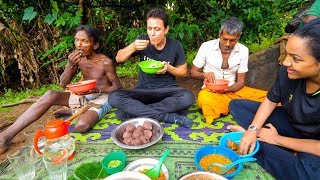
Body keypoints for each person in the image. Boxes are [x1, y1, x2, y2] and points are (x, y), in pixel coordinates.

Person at [0, 25, 121, 154]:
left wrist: (97, 90)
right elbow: (63, 84)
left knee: (81, 125)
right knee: (50, 94)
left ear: (95, 45)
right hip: (85, 94)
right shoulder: (78, 60)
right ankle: (4, 137)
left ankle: (77, 110)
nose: (79, 45)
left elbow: (117, 87)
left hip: (102, 95)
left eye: (85, 41)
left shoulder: (105, 62)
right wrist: (69, 66)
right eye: (76, 40)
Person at [227, 18, 320, 180]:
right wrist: (252, 130)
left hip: (314, 142)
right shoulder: (287, 71)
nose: (285, 62)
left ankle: (262, 145)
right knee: (237, 106)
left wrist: (277, 139)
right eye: (287, 55)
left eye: (295, 59)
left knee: (309, 175)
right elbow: (270, 100)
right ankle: (262, 143)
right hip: (292, 124)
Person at [108, 8, 195, 128]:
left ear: (166, 29)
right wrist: (133, 46)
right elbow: (119, 58)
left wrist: (169, 68)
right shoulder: (142, 40)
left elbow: (184, 72)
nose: (152, 33)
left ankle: (136, 112)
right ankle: (166, 116)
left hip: (167, 91)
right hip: (143, 90)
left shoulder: (175, 45)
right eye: (149, 28)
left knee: (188, 97)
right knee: (114, 97)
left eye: (157, 29)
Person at [190, 17, 267, 125]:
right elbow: (193, 73)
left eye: (232, 40)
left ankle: (230, 105)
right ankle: (237, 106)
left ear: (239, 37)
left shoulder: (243, 50)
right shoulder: (206, 46)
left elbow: (240, 82)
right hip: (211, 92)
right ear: (219, 34)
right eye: (224, 39)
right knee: (204, 99)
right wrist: (205, 74)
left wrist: (227, 89)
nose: (227, 44)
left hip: (233, 90)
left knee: (267, 98)